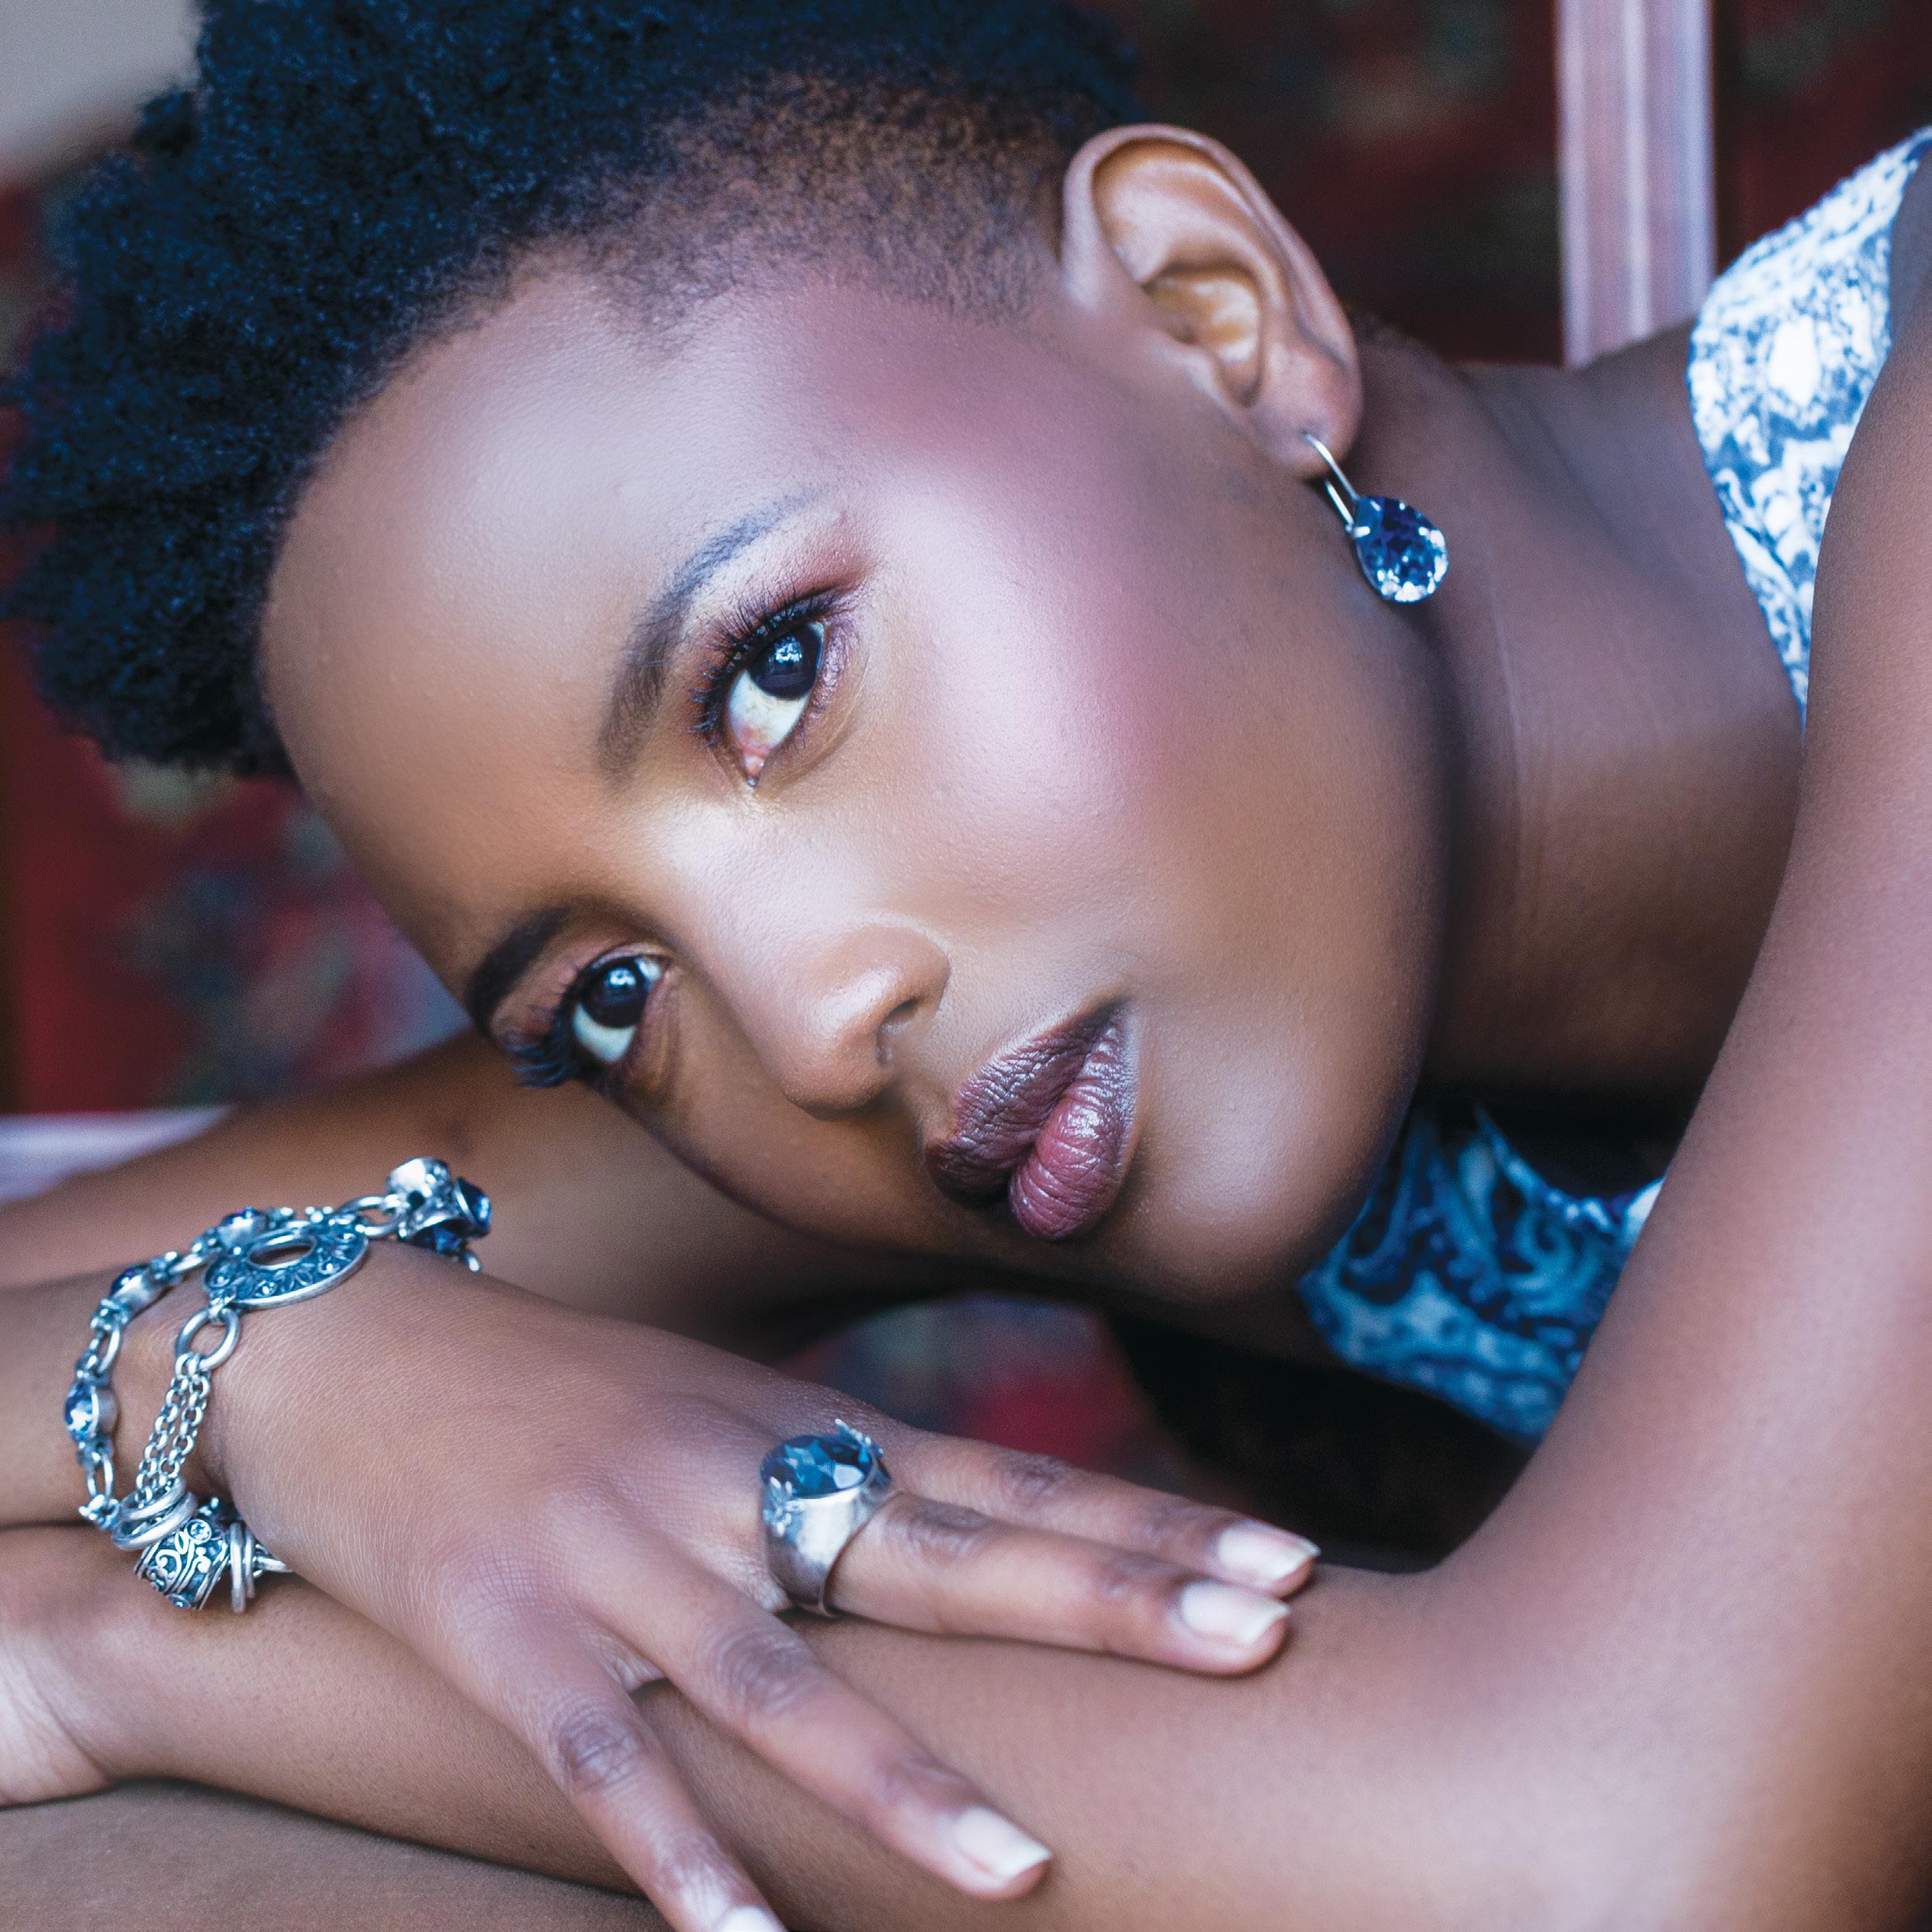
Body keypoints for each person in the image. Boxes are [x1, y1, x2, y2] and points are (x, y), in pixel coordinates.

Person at [5, 1, 1932, 1927]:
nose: (807, 1027)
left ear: (1212, 313)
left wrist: (142, 1657)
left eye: (777, 674)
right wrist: (249, 1371)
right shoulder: (1021, 1029)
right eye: (607, 995)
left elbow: (1628, 1854)